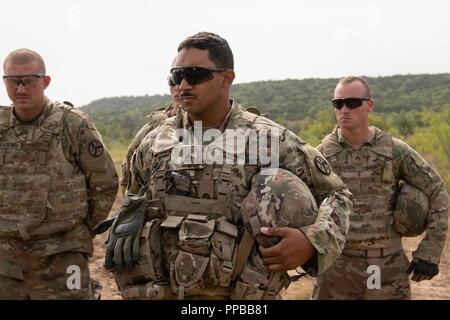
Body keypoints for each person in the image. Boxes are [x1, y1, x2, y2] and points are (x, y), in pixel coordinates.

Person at [100, 32, 352, 300]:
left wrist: (312, 241)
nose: (184, 85)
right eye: (176, 76)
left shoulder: (268, 140)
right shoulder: (153, 142)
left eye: (194, 75)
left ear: (226, 78)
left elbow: (336, 195)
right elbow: (134, 198)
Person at [315, 76, 449, 299]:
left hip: (387, 267)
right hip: (337, 270)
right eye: (338, 104)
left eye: (352, 102)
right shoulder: (321, 155)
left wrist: (430, 251)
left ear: (370, 105)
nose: (344, 109)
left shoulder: (394, 150)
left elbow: (437, 191)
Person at [0, 49, 118, 299]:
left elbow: (104, 183)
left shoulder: (72, 124)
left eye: (28, 80)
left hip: (62, 254)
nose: (20, 89)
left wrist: (81, 231)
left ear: (45, 81)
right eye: (13, 81)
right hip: (5, 259)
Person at [119, 59, 182, 195]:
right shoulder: (151, 129)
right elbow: (128, 180)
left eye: (189, 77)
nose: (179, 86)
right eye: (173, 80)